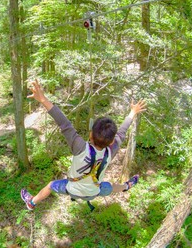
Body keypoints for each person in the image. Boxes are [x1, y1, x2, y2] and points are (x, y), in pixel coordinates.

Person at [21, 79, 147, 211]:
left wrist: (43, 99)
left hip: (72, 189)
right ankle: (127, 186)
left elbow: (64, 123)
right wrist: (132, 113)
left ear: (91, 134)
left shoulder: (80, 147)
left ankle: (31, 202)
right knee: (109, 187)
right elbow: (121, 133)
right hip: (94, 192)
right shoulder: (111, 150)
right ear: (111, 142)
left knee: (51, 185)